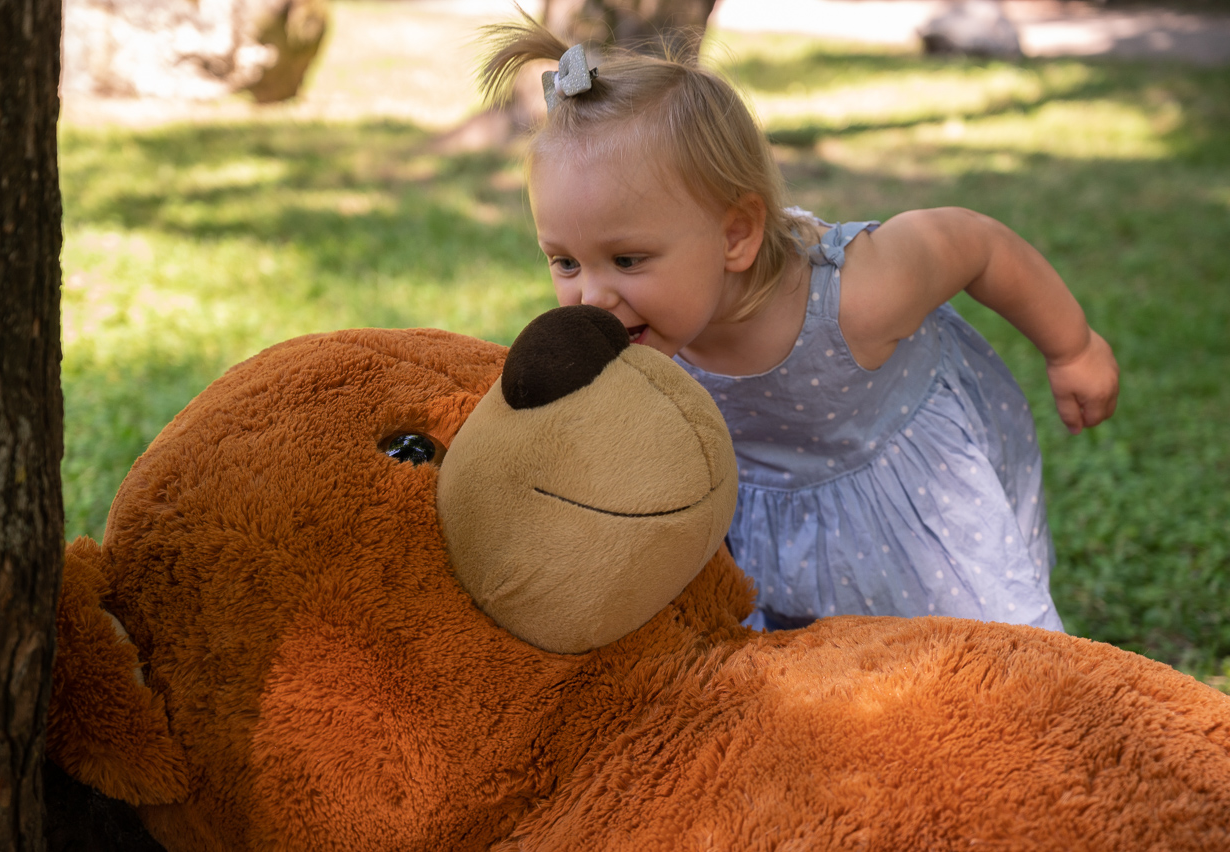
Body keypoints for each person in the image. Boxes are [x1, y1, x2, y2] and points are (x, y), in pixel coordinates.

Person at [479, 15, 1119, 632]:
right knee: (813, 669)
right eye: (564, 261)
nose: (591, 296)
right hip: (777, 519)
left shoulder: (862, 295)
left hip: (912, 498)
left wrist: (1074, 349)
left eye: (627, 260)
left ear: (736, 235)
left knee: (980, 658)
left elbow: (976, 243)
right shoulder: (635, 335)